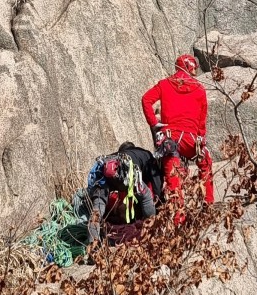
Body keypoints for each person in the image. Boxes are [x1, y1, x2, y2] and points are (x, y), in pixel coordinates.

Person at [141, 53, 215, 213]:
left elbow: (146, 100)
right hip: (191, 139)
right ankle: (208, 206)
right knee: (206, 164)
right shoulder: (200, 89)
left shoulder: (165, 84)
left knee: (173, 180)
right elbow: (202, 122)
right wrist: (201, 139)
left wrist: (154, 123)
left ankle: (177, 219)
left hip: (170, 138)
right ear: (190, 68)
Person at [83, 148, 156, 244]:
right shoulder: (138, 163)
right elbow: (146, 198)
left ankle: (92, 244)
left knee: (97, 212)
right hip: (119, 175)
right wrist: (153, 224)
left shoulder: (110, 161)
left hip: (103, 178)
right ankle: (152, 231)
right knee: (146, 197)